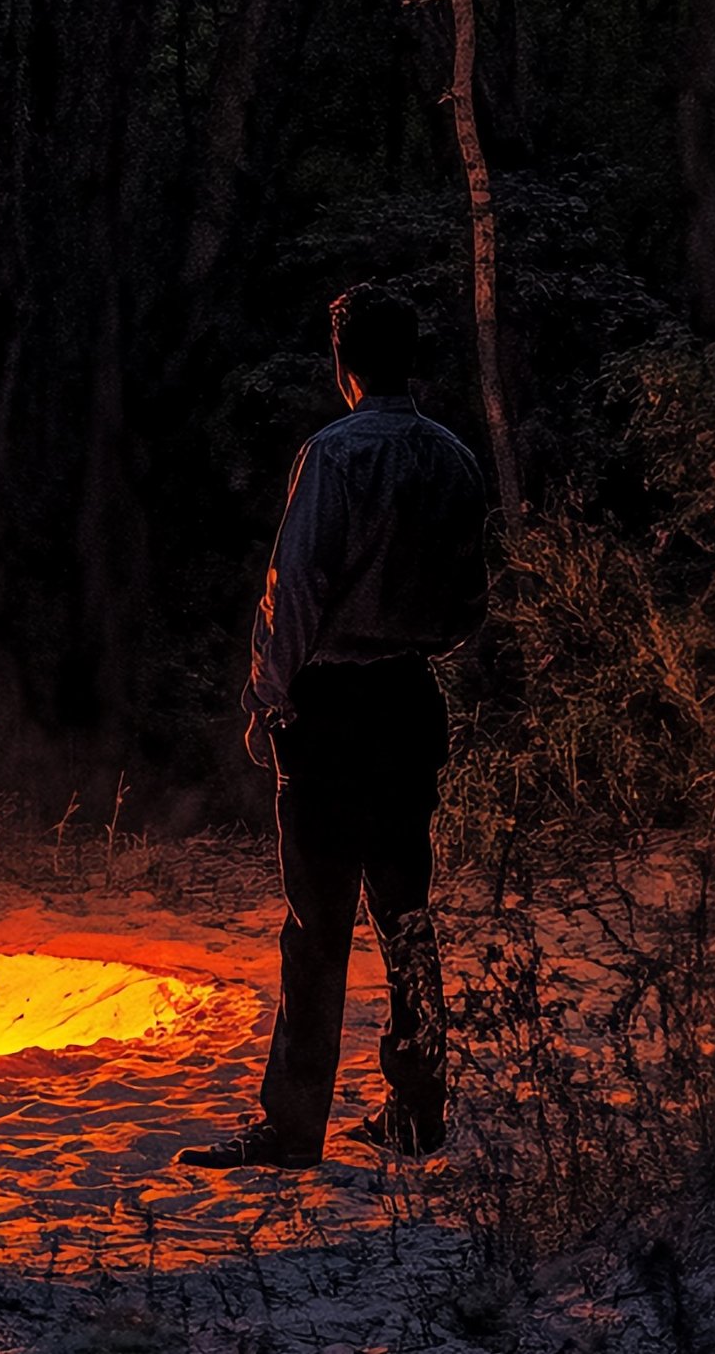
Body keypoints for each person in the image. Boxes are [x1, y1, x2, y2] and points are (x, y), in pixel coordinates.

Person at [178, 283, 489, 1171]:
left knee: (316, 924)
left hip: (333, 705)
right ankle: (417, 1109)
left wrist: (267, 698)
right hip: (409, 700)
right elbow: (470, 598)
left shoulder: (334, 454)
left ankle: (292, 1124)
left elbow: (297, 588)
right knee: (408, 915)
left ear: (343, 363)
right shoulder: (454, 459)